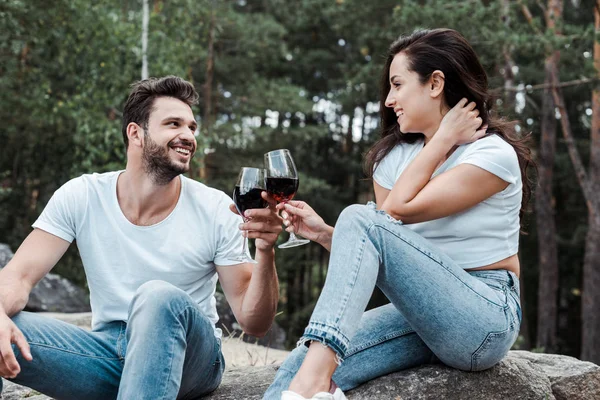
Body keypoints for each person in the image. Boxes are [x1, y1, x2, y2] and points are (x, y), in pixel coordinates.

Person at [264, 28, 533, 400]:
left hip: (483, 317)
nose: (389, 100)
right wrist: (328, 234)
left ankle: (312, 387)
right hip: (420, 314)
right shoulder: (393, 160)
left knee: (360, 216)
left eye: (397, 84)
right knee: (299, 362)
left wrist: (442, 140)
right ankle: (310, 386)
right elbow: (388, 255)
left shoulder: (490, 155)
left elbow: (394, 211)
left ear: (435, 83)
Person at [0, 76, 283, 399]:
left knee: (157, 296)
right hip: (106, 352)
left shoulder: (217, 208)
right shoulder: (82, 195)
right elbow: (17, 277)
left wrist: (265, 250)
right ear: (135, 133)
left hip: (193, 357)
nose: (188, 136)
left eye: (192, 127)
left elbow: (254, 322)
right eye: (174, 124)